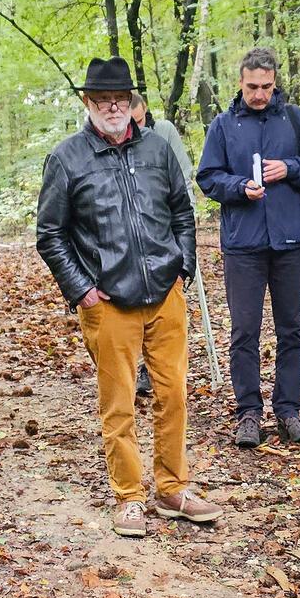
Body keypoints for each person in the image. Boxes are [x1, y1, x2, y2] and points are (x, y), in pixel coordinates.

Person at [35, 57, 222, 537]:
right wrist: (82, 290)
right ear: (88, 102)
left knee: (173, 394)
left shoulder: (157, 149)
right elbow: (50, 235)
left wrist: (183, 266)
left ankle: (172, 489)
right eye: (103, 100)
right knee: (118, 403)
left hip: (165, 295)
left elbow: (182, 212)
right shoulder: (67, 158)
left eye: (120, 98)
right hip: (109, 303)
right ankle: (129, 497)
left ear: (132, 101)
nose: (113, 107)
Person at [197, 47, 300, 448]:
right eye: (252, 87)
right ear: (240, 83)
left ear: (275, 83)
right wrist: (239, 187)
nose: (259, 94)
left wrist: (289, 168)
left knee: (292, 330)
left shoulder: (297, 120)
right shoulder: (223, 125)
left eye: (266, 87)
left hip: (291, 241)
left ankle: (289, 409)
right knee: (244, 332)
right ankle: (248, 413)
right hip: (243, 244)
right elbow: (208, 177)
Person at [129, 91, 195, 398]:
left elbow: (183, 174)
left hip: (166, 233)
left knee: (166, 310)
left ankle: (159, 369)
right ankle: (142, 366)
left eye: (140, 120)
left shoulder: (164, 131)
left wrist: (185, 235)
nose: (135, 127)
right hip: (133, 241)